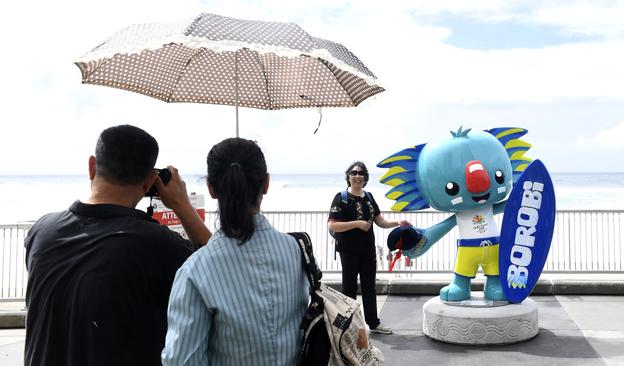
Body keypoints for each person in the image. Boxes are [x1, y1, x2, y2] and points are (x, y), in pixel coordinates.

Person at [24, 125, 212, 366]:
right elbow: (221, 269)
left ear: (92, 166)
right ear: (149, 182)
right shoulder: (157, 245)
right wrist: (182, 204)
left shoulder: (41, 232)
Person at [161, 138, 309, 365]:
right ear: (266, 184)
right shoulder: (295, 250)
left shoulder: (195, 271)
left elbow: (181, 361)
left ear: (211, 188)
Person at [328, 161, 410, 335]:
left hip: (367, 250)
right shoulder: (341, 197)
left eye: (361, 173)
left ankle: (373, 323)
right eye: (354, 173)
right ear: (348, 176)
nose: (357, 176)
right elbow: (333, 225)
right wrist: (357, 224)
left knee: (369, 287)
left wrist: (398, 223)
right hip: (348, 251)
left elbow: (381, 221)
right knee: (349, 288)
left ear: (365, 178)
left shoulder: (370, 197)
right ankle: (350, 326)